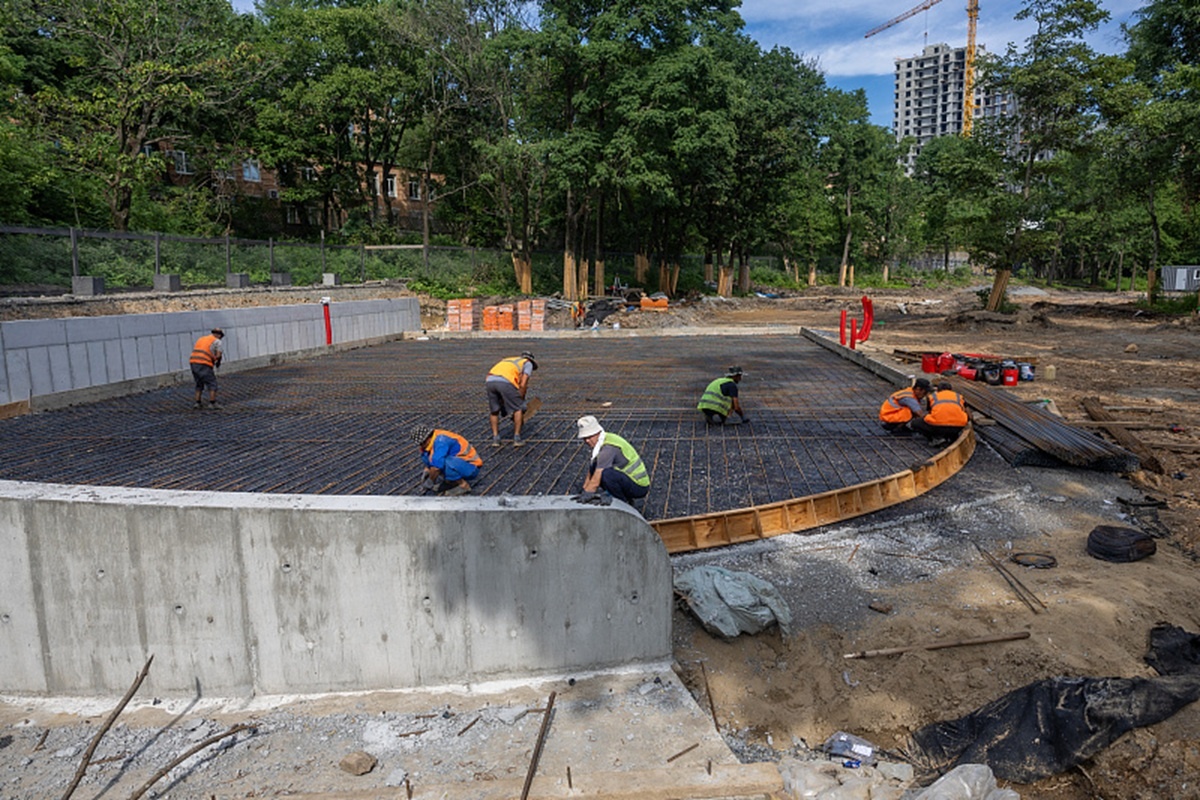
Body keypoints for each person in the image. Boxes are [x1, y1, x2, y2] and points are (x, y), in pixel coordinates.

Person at [573, 415, 650, 506]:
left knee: (607, 475)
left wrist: (588, 493)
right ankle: (622, 497)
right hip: (627, 479)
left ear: (597, 432)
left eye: (589, 437)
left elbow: (597, 478)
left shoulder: (608, 449)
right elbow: (592, 470)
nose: (587, 441)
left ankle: (622, 503)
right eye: (584, 438)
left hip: (639, 486)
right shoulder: (604, 439)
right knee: (595, 466)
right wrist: (584, 490)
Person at [413, 426, 482, 497]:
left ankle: (463, 486)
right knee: (425, 454)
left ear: (428, 438)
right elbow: (431, 457)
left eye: (422, 443)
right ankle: (451, 482)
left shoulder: (441, 441)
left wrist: (430, 481)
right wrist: (428, 470)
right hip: (458, 463)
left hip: (471, 467)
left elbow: (436, 467)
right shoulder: (434, 438)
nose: (421, 446)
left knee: (443, 462)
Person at [486, 351, 537, 447]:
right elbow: (523, 383)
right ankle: (517, 439)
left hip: (490, 381)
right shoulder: (527, 363)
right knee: (518, 409)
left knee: (494, 411)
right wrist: (521, 399)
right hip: (506, 382)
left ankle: (495, 439)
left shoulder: (508, 360)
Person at [910, 381, 969, 446]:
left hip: (937, 426)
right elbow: (969, 415)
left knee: (916, 423)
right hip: (957, 426)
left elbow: (930, 412)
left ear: (938, 390)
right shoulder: (959, 396)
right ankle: (951, 437)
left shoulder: (932, 397)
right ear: (951, 390)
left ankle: (936, 438)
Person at [190, 328, 225, 409]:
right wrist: (217, 362)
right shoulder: (217, 341)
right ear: (219, 335)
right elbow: (218, 355)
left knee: (199, 383)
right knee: (212, 383)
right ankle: (212, 403)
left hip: (193, 362)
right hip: (204, 363)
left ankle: (197, 403)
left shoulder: (201, 338)